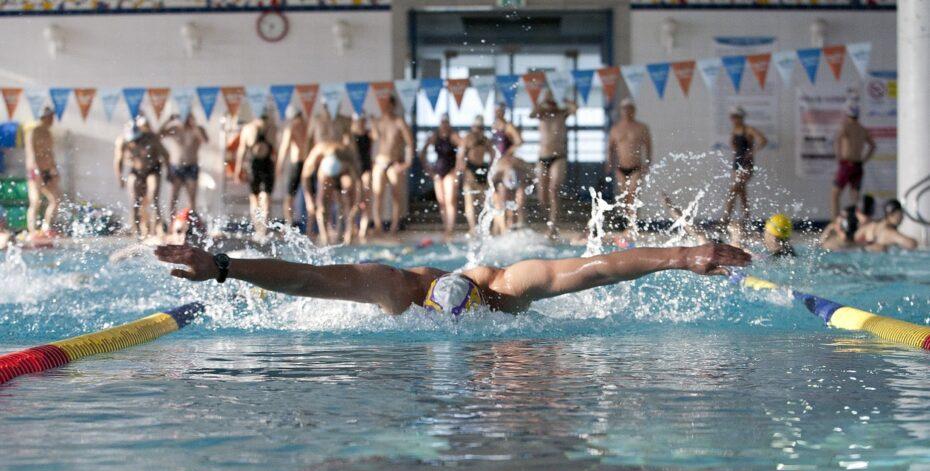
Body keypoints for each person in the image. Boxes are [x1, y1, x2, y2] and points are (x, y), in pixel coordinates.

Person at [155, 241, 751, 317]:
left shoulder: (509, 287)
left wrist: (683, 255)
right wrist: (226, 266)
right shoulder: (397, 287)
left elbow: (596, 268)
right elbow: (309, 280)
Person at [530, 90, 577, 237]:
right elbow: (531, 114)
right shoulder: (541, 115)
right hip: (542, 158)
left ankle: (553, 225)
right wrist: (543, 100)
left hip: (559, 157)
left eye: (552, 101)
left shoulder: (562, 114)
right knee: (542, 196)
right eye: (548, 102)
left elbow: (575, 108)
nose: (551, 104)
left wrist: (564, 97)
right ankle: (549, 218)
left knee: (554, 189)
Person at [114, 117, 170, 238]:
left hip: (152, 170)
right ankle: (138, 233)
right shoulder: (123, 141)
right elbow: (118, 160)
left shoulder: (151, 138)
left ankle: (155, 231)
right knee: (135, 202)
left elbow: (166, 155)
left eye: (137, 140)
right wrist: (119, 177)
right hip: (136, 171)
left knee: (153, 199)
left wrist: (169, 171)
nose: (135, 143)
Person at [607, 98, 652, 236]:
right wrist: (609, 164)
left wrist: (647, 163)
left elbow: (648, 146)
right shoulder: (615, 129)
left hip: (636, 167)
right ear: (621, 111)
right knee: (626, 196)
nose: (627, 111)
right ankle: (629, 223)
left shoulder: (641, 127)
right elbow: (611, 148)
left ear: (634, 110)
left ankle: (632, 225)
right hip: (621, 168)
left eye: (629, 108)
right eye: (624, 109)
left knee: (633, 193)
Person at [301, 140, 360, 246]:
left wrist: (356, 204)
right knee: (322, 205)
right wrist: (308, 199)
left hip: (345, 173)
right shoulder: (319, 151)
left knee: (348, 201)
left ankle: (347, 235)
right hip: (325, 172)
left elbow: (357, 183)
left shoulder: (347, 155)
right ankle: (325, 237)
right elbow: (305, 176)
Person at [371, 94, 414, 235]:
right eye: (383, 105)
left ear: (392, 105)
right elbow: (374, 138)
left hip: (394, 162)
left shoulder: (399, 122)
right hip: (380, 161)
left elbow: (410, 142)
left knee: (396, 196)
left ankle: (395, 226)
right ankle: (378, 225)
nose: (384, 107)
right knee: (378, 195)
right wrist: (372, 124)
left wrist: (407, 162)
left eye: (387, 104)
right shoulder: (379, 121)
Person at [722, 106, 767, 232]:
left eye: (735, 117)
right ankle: (746, 220)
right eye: (732, 117)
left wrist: (752, 152)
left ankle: (725, 220)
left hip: (747, 164)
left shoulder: (748, 130)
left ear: (741, 117)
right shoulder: (734, 130)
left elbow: (763, 140)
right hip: (737, 164)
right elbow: (734, 147)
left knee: (733, 190)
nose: (733, 119)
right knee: (742, 194)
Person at [235, 110, 276, 241]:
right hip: (255, 165)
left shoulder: (271, 127)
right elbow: (242, 149)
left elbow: (277, 147)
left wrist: (238, 169)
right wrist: (238, 169)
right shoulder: (249, 128)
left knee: (265, 199)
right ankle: (258, 229)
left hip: (266, 165)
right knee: (256, 199)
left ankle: (263, 230)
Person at [419, 114, 461, 240]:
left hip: (450, 172)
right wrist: (428, 170)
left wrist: (457, 170)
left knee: (450, 201)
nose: (444, 125)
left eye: (446, 122)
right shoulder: (435, 136)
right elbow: (422, 153)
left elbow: (464, 148)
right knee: (442, 201)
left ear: (449, 124)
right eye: (442, 122)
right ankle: (446, 226)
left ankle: (450, 228)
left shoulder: (453, 136)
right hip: (438, 172)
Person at [159, 113, 208, 221]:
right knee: (173, 198)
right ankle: (172, 224)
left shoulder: (197, 129)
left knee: (191, 199)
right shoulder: (175, 129)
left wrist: (194, 125)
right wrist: (168, 120)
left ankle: (190, 225)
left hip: (191, 167)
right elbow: (159, 135)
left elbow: (205, 140)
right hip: (176, 167)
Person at [831, 103, 876, 220]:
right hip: (858, 166)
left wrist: (839, 158)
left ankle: (835, 222)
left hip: (846, 165)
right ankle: (858, 222)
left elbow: (837, 142)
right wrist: (864, 160)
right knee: (855, 197)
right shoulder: (862, 129)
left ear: (847, 114)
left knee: (835, 194)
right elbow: (872, 146)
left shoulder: (845, 127)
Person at [25, 106, 62, 237]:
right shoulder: (34, 131)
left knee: (56, 199)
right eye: (51, 117)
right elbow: (32, 152)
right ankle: (32, 231)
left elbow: (50, 154)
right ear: (45, 117)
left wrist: (54, 170)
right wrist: (37, 170)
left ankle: (47, 227)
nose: (53, 120)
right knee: (36, 201)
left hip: (47, 171)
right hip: (35, 171)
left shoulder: (48, 133)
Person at [490, 102, 528, 232]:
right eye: (496, 110)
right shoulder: (494, 126)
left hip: (506, 165)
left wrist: (507, 153)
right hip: (497, 165)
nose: (497, 113)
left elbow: (519, 141)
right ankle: (500, 228)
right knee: (497, 197)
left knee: (508, 196)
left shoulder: (508, 126)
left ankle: (511, 225)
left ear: (503, 112)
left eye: (499, 110)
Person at [458, 115, 495, 234]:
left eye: (481, 128)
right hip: (470, 168)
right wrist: (462, 172)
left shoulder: (485, 139)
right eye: (477, 127)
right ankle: (472, 227)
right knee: (469, 199)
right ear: (472, 127)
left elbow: (493, 154)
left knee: (485, 200)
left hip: (481, 170)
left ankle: (487, 226)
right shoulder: (467, 138)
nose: (478, 130)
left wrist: (491, 168)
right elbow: (460, 156)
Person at [275, 108, 309, 230]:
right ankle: (311, 228)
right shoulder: (308, 126)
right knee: (311, 197)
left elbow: (284, 149)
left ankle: (289, 225)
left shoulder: (292, 127)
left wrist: (279, 167)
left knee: (289, 197)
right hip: (309, 164)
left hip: (297, 164)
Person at [350, 114, 375, 242]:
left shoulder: (368, 134)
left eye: (363, 120)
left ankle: (363, 230)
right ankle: (353, 226)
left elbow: (377, 136)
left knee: (366, 200)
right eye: (359, 120)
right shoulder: (350, 136)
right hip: (355, 170)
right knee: (355, 202)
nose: (361, 122)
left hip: (366, 168)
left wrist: (373, 121)